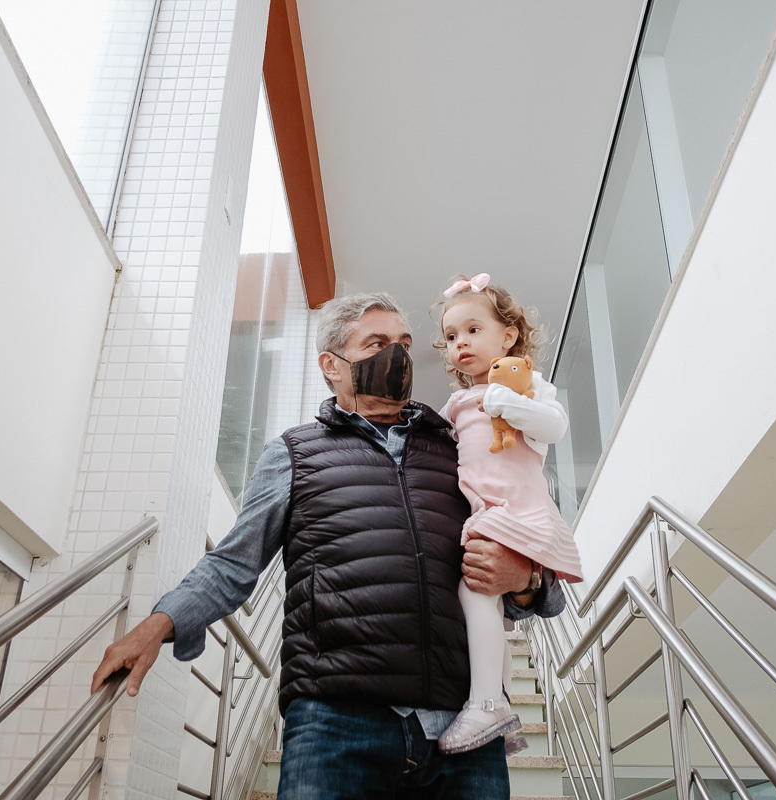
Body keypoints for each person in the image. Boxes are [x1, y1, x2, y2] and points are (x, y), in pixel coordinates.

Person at [91, 293, 566, 800]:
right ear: (331, 365)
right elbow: (234, 563)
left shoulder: (459, 444)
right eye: (378, 343)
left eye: (404, 343)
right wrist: (159, 624)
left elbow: (539, 562)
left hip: (462, 728)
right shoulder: (295, 453)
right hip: (336, 722)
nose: (399, 356)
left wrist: (527, 583)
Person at [432, 274, 583, 755]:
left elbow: (555, 426)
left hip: (517, 510)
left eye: (473, 330)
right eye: (452, 336)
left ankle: (486, 705)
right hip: (485, 510)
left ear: (509, 335)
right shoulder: (456, 403)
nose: (461, 344)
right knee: (490, 614)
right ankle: (496, 703)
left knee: (475, 591)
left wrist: (513, 404)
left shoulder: (527, 385)